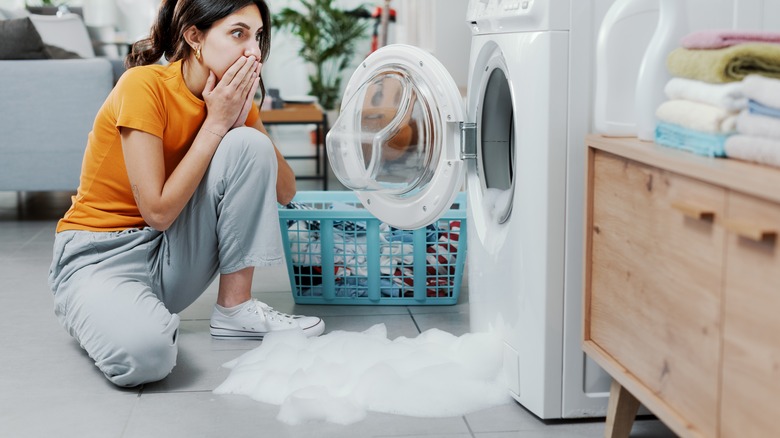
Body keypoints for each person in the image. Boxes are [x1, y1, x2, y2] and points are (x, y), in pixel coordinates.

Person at [47, 0, 324, 388]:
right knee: (147, 358)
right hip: (98, 256)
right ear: (195, 36)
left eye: (258, 36)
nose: (254, 51)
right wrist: (216, 123)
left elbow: (286, 190)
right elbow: (157, 211)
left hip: (169, 252)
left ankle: (235, 310)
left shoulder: (231, 103)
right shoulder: (143, 86)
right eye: (238, 34)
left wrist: (243, 115)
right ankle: (98, 308)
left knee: (248, 144)